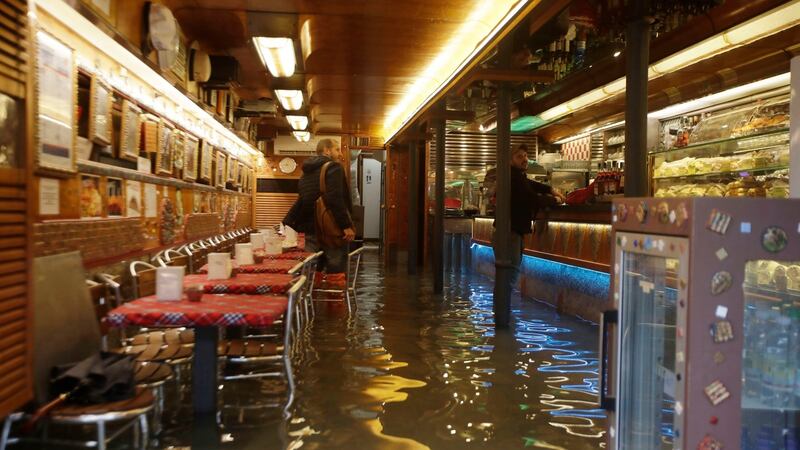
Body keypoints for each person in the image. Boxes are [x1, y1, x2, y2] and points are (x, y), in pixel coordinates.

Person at [493, 145, 564, 289]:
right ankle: (502, 311)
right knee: (509, 276)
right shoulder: (514, 178)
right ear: (510, 161)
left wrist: (550, 189)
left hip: (507, 231)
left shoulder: (514, 176)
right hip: (510, 233)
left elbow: (530, 184)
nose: (525, 159)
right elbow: (533, 199)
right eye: (519, 156)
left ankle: (501, 310)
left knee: (505, 276)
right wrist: (556, 200)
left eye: (525, 155)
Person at [284, 138, 355, 275]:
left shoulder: (306, 172)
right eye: (337, 149)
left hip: (311, 230)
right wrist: (346, 225)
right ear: (327, 151)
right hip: (331, 229)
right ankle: (333, 295)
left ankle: (312, 295)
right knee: (336, 271)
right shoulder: (334, 167)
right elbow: (335, 198)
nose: (340, 154)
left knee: (311, 271)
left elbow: (302, 200)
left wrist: (287, 222)